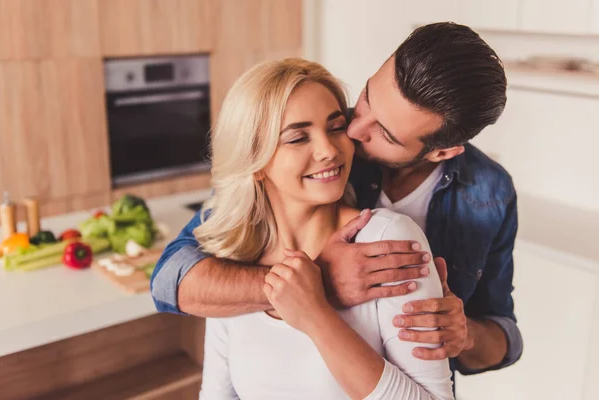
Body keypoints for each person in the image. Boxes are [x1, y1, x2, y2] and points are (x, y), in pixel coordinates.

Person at [151, 22, 522, 384]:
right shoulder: (324, 148)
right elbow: (172, 278)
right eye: (366, 98)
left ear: (441, 152)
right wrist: (316, 281)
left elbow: (504, 334)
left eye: (386, 134)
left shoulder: (490, 193)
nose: (353, 130)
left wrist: (466, 335)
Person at [197, 56, 454, 399]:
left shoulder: (386, 240)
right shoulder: (233, 257)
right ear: (254, 162)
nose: (329, 150)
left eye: (335, 127)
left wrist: (317, 317)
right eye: (298, 138)